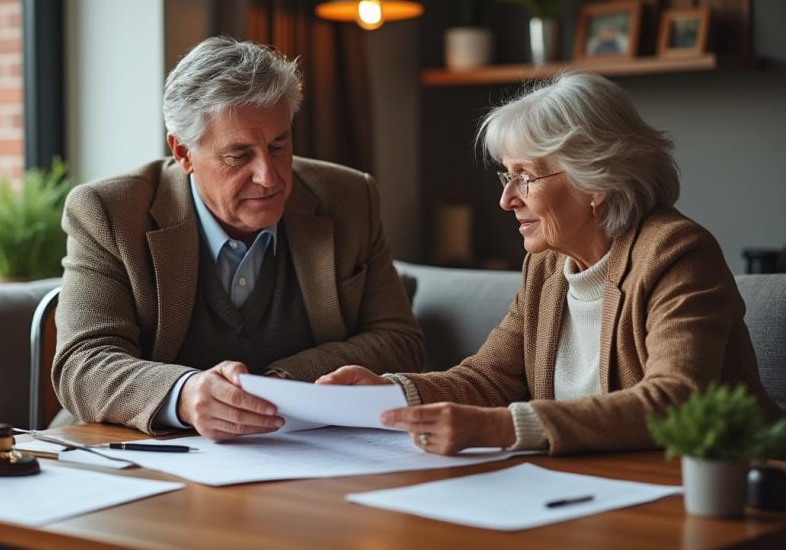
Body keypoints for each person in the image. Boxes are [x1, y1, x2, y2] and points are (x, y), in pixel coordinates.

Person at [318, 71, 780, 455]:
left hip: (722, 490)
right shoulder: (547, 265)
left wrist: (502, 428)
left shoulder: (676, 253)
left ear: (596, 180)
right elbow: (488, 377)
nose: (505, 199)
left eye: (525, 176)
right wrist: (390, 391)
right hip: (594, 487)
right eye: (506, 175)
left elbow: (674, 400)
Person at [53, 36, 424, 440]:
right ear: (183, 153)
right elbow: (82, 363)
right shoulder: (109, 211)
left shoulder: (349, 197)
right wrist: (186, 395)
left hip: (301, 451)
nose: (269, 177)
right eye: (238, 155)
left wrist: (281, 382)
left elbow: (400, 340)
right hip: (137, 450)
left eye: (279, 145)